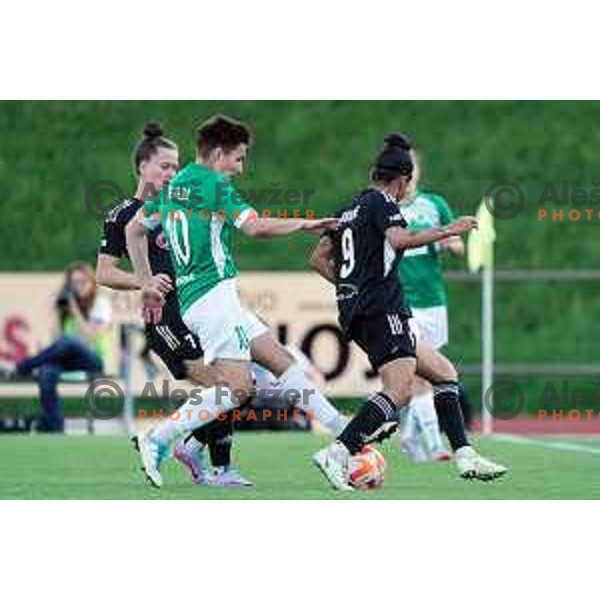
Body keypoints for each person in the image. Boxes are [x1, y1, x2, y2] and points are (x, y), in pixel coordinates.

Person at [126, 115, 345, 488]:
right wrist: (306, 223)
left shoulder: (175, 187)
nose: (240, 168)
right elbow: (256, 227)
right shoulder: (213, 185)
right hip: (214, 299)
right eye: (238, 159)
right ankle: (158, 437)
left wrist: (146, 281)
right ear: (218, 154)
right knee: (239, 389)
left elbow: (135, 229)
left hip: (203, 300)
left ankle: (343, 429)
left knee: (279, 360)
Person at [308, 133, 507, 490]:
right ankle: (337, 452)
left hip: (365, 311)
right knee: (398, 389)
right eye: (406, 183)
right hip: (384, 310)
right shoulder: (384, 203)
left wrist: (349, 286)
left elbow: (318, 258)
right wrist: (448, 229)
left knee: (444, 372)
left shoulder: (348, 209)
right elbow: (399, 240)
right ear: (402, 179)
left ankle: (464, 455)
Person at [96, 122, 253, 486]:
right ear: (141, 167)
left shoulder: (180, 200)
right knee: (226, 387)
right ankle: (209, 462)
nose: (171, 173)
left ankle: (199, 453)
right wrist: (145, 282)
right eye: (163, 166)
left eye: (175, 166)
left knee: (238, 388)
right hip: (165, 319)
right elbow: (104, 272)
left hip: (198, 311)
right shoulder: (124, 214)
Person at [397, 149, 470, 462]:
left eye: (412, 166)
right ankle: (435, 443)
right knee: (419, 373)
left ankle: (409, 436)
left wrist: (448, 241)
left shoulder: (435, 204)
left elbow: (457, 244)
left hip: (433, 301)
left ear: (418, 171)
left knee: (429, 373)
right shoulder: (385, 207)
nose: (408, 173)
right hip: (401, 301)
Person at [13, 262, 111, 432]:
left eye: (82, 282)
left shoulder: (100, 304)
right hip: (68, 360)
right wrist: (61, 312)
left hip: (92, 361)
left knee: (68, 341)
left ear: (91, 282)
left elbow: (90, 336)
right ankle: (56, 427)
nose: (78, 287)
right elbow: (57, 342)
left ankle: (24, 366)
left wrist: (76, 312)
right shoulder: (67, 306)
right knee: (46, 371)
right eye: (74, 283)